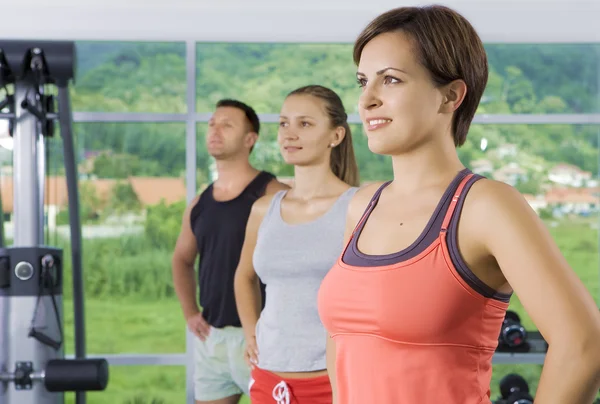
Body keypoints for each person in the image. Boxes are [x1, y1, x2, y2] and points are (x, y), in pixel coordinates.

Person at [317, 5, 600, 404]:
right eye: (363, 82)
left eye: (391, 80)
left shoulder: (486, 207)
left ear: (450, 95)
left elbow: (584, 344)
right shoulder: (362, 206)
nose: (367, 100)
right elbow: (343, 343)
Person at [233, 84, 360, 404]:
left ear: (336, 135)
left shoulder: (357, 207)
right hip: (268, 378)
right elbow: (243, 276)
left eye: (304, 124)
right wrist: (251, 332)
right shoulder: (264, 208)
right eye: (283, 123)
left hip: (333, 381)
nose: (289, 133)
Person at [172, 99, 289, 404]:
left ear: (250, 139)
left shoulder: (273, 193)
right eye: (212, 123)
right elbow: (182, 260)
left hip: (263, 338)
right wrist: (190, 313)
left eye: (227, 124)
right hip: (213, 338)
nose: (215, 129)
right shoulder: (199, 203)